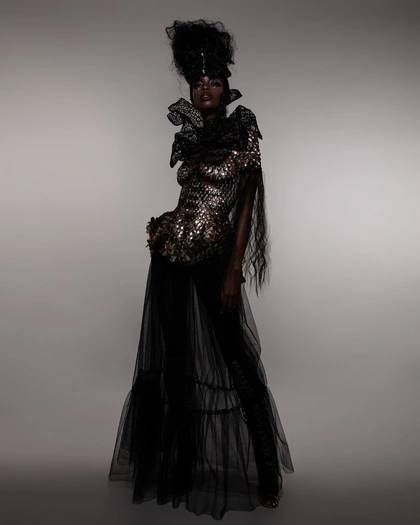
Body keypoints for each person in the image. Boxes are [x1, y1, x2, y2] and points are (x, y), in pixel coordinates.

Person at [108, 19, 294, 521]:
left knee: (236, 360)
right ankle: (182, 465)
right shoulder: (189, 134)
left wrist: (234, 269)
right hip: (171, 254)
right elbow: (188, 195)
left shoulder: (243, 129)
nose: (204, 88)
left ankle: (267, 473)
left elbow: (246, 205)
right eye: (197, 82)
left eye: (213, 80)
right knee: (175, 361)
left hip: (215, 255)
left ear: (226, 86)